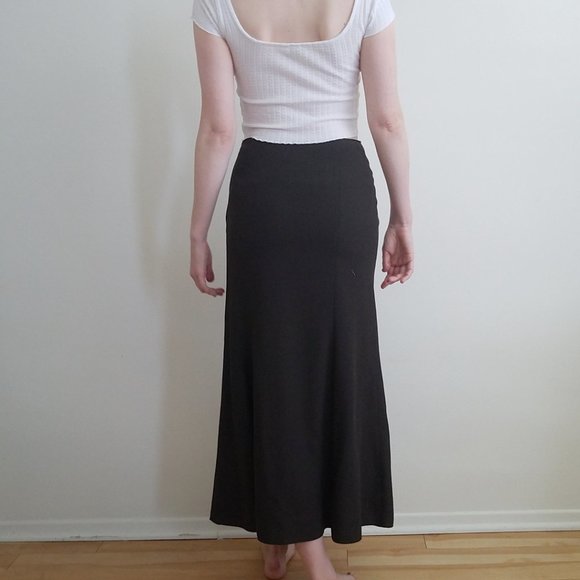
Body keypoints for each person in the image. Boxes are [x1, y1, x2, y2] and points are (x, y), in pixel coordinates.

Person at [189, 0, 413, 578]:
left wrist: (197, 231)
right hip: (339, 191)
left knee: (275, 369)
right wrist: (402, 217)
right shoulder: (367, 4)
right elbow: (387, 120)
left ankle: (279, 536)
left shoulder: (216, 4)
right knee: (335, 363)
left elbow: (218, 129)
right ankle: (314, 556)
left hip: (264, 191)